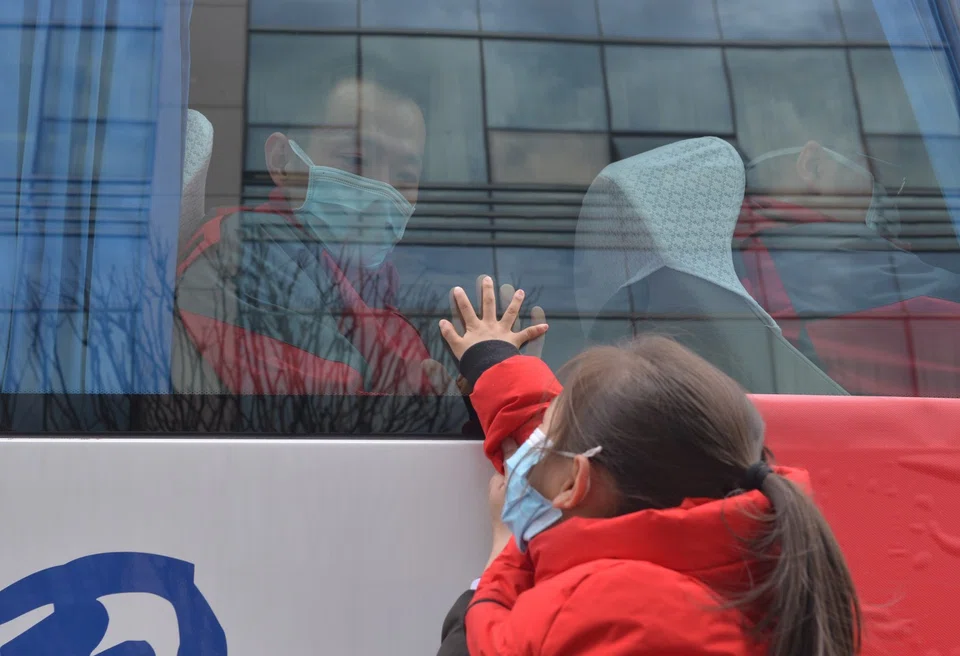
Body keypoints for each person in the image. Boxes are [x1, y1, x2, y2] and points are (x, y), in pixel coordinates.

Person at [437, 276, 861, 655]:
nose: (529, 449)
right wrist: (492, 361)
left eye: (543, 440)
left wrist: (500, 560)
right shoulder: (749, 562)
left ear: (574, 482)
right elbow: (598, 428)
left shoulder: (613, 612)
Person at [174, 61, 443, 396]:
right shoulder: (242, 256)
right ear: (283, 161)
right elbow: (325, 422)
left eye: (404, 177)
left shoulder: (382, 296)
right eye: (356, 160)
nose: (383, 190)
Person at [736, 140, 960, 396]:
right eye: (878, 175)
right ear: (815, 166)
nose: (888, 194)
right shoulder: (835, 256)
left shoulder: (745, 245)